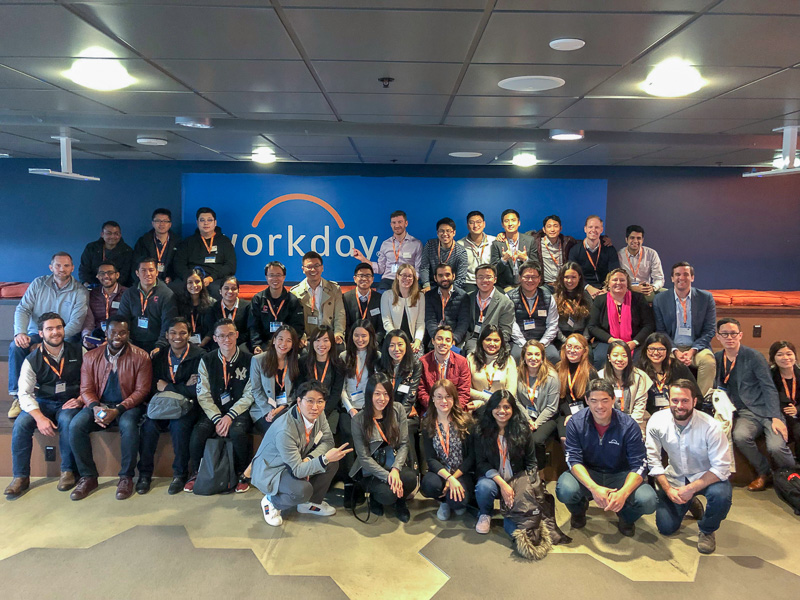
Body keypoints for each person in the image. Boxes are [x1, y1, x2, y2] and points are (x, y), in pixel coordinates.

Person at [556, 379, 657, 537]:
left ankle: (626, 517)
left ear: (613, 400)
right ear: (587, 401)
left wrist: (623, 493)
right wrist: (594, 488)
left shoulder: (629, 426)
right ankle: (578, 511)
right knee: (565, 489)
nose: (600, 406)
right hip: (590, 472)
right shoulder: (575, 423)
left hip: (619, 475)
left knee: (649, 500)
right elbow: (573, 459)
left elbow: (639, 465)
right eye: (594, 401)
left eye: (605, 400)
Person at [646, 378, 733, 554]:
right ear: (668, 400)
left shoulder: (711, 426)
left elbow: (722, 467)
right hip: (675, 476)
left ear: (694, 401)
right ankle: (691, 502)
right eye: (675, 400)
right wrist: (669, 489)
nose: (680, 405)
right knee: (666, 528)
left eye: (685, 400)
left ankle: (707, 529)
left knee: (721, 495)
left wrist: (691, 488)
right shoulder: (656, 421)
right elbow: (653, 461)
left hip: (706, 477)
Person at [69, 316, 151, 501]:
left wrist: (119, 409)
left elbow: (142, 391)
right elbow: (86, 389)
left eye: (122, 332)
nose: (117, 336)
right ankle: (88, 476)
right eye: (113, 332)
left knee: (129, 427)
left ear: (128, 334)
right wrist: (95, 408)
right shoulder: (91, 357)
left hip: (128, 406)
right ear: (106, 333)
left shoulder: (141, 357)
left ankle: (126, 477)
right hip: (99, 404)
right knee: (75, 425)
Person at [253, 381, 353, 527]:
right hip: (274, 469)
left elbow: (327, 442)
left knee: (332, 462)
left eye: (320, 401)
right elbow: (298, 470)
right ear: (299, 401)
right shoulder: (285, 429)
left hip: (297, 460)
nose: (315, 407)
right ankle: (271, 501)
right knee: (302, 490)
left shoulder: (319, 415)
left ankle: (309, 504)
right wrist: (323, 459)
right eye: (310, 401)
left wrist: (310, 459)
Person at [5, 313, 83, 498]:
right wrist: (39, 418)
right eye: (49, 329)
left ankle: (67, 471)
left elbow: (91, 381)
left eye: (59, 327)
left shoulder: (80, 351)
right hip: (44, 402)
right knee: (21, 424)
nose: (55, 332)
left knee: (67, 420)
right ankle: (21, 477)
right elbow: (24, 393)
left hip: (70, 401)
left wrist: (81, 399)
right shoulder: (31, 360)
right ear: (41, 333)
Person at [715, 318, 795, 491]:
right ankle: (764, 473)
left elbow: (769, 387)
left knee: (776, 447)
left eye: (733, 333)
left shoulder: (753, 356)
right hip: (745, 413)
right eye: (725, 334)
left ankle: (793, 477)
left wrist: (775, 416)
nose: (730, 337)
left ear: (740, 335)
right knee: (740, 437)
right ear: (718, 337)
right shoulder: (717, 358)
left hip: (766, 410)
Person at [8, 252, 88, 419]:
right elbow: (23, 309)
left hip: (65, 335)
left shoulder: (80, 290)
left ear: (72, 268)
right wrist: (20, 333)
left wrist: (51, 341)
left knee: (74, 348)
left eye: (66, 266)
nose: (62, 269)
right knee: (16, 346)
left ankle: (72, 396)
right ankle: (18, 397)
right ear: (51, 267)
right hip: (37, 334)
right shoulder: (38, 284)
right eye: (58, 265)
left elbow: (76, 323)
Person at [136, 317, 204, 495]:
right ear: (166, 335)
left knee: (180, 426)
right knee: (148, 426)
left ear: (189, 335)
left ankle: (180, 474)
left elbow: (198, 390)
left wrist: (169, 386)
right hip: (161, 405)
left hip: (187, 407)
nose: (178, 337)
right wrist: (184, 386)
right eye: (173, 332)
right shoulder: (158, 357)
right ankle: (144, 474)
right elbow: (152, 386)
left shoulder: (199, 356)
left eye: (183, 333)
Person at [186, 318, 254, 493]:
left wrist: (230, 416)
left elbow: (250, 393)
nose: (227, 339)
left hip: (238, 410)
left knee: (238, 432)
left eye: (230, 334)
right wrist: (217, 418)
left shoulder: (250, 360)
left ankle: (242, 473)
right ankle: (196, 472)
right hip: (213, 411)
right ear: (215, 338)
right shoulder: (206, 360)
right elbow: (203, 393)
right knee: (198, 432)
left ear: (237, 335)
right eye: (221, 335)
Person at [350, 373, 417, 522]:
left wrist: (395, 470)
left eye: (386, 394)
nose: (382, 399)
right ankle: (375, 497)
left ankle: (401, 501)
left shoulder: (397, 409)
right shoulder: (358, 420)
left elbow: (404, 444)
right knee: (387, 496)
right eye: (377, 394)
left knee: (411, 479)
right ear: (369, 395)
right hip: (371, 470)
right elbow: (364, 457)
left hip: (392, 463)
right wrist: (388, 476)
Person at [473, 390, 538, 535]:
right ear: (491, 409)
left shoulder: (523, 430)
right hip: (493, 479)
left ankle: (513, 512)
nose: (502, 411)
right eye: (497, 407)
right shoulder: (480, 431)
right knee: (483, 487)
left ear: (513, 409)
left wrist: (527, 485)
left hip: (517, 479)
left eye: (507, 407)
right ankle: (485, 513)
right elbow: (481, 463)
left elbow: (531, 462)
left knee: (514, 530)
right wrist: (503, 485)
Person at [653, 262, 717, 396]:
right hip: (671, 347)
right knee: (659, 359)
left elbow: (710, 330)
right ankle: (669, 399)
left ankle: (700, 401)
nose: (681, 278)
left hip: (697, 348)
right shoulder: (660, 299)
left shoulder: (705, 298)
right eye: (677, 274)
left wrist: (692, 351)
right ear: (671, 278)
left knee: (708, 361)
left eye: (685, 274)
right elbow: (660, 330)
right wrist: (675, 351)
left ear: (692, 277)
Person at [420, 379, 475, 521]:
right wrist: (448, 478)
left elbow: (471, 457)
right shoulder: (427, 424)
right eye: (439, 396)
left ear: (454, 398)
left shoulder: (466, 421)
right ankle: (443, 503)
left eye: (448, 396)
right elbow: (431, 458)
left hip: (462, 472)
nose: (443, 400)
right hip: (442, 473)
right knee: (428, 485)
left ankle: (453, 501)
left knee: (457, 502)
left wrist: (454, 478)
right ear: (432, 399)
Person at [588, 268, 655, 369]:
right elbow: (592, 326)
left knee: (640, 360)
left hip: (634, 342)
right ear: (608, 284)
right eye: (615, 280)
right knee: (601, 358)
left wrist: (635, 342)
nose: (618, 283)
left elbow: (649, 325)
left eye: (622, 280)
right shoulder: (600, 300)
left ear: (627, 283)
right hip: (607, 341)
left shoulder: (638, 298)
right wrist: (611, 340)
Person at [378, 329, 423, 476]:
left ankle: (411, 472)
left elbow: (410, 397)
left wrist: (397, 417)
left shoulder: (415, 365)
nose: (396, 349)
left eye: (400, 344)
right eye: (392, 345)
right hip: (383, 412)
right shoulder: (380, 365)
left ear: (407, 346)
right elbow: (378, 395)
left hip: (406, 413)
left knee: (406, 429)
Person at [338, 321, 381, 469]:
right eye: (356, 335)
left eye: (364, 335)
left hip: (370, 407)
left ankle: (368, 473)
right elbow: (341, 388)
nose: (360, 339)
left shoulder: (377, 356)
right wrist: (350, 409)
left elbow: (378, 387)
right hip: (348, 407)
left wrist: (369, 408)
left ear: (371, 336)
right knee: (348, 433)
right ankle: (350, 476)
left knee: (369, 434)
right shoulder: (344, 356)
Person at [116, 257, 178, 355]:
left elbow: (168, 322)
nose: (148, 274)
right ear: (137, 273)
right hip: (132, 342)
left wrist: (160, 346)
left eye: (151, 270)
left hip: (156, 343)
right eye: (143, 270)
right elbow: (122, 320)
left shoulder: (166, 294)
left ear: (157, 272)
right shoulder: (129, 294)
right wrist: (127, 342)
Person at [173, 207, 237, 298]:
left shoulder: (225, 242)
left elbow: (231, 266)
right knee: (173, 288)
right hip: (192, 276)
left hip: (215, 278)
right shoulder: (188, 242)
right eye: (202, 220)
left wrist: (212, 278)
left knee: (217, 290)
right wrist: (191, 278)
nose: (206, 223)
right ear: (197, 223)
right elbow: (179, 264)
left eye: (209, 220)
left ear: (215, 223)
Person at [352, 209, 422, 290]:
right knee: (381, 295)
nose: (397, 225)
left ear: (406, 223)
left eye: (400, 222)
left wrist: (410, 281)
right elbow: (380, 268)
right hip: (389, 280)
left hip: (407, 279)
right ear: (391, 224)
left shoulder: (416, 244)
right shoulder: (385, 244)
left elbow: (418, 269)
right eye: (394, 222)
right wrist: (363, 259)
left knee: (417, 296)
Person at [516, 339, 559, 468]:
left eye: (537, 354)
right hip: (524, 416)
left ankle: (538, 475)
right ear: (523, 357)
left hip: (546, 418)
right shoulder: (517, 374)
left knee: (535, 440)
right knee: (516, 436)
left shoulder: (552, 377)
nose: (533, 358)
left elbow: (552, 407)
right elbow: (516, 400)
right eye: (529, 354)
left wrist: (536, 423)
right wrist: (528, 419)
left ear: (542, 357)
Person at [250, 325, 300, 434]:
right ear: (274, 340)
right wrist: (269, 411)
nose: (283, 344)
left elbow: (296, 390)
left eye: (288, 340)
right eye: (280, 339)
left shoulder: (295, 360)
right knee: (278, 430)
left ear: (292, 344)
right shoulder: (258, 360)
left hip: (286, 407)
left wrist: (283, 407)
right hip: (263, 409)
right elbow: (256, 390)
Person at [291, 251, 346, 347]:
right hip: (308, 338)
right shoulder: (295, 293)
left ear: (322, 268)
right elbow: (294, 320)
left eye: (316, 266)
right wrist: (301, 336)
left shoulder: (334, 289)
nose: (313, 269)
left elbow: (340, 314)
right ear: (303, 269)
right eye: (309, 266)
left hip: (329, 336)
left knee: (340, 349)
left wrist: (338, 334)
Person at [507, 261, 559, 363]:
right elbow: (511, 324)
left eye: (534, 277)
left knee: (553, 356)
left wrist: (542, 344)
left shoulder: (548, 297)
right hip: (519, 342)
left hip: (542, 340)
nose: (530, 280)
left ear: (539, 279)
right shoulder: (509, 297)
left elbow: (553, 324)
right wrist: (524, 344)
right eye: (526, 277)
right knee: (516, 356)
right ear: (519, 278)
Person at [249, 260, 305, 354]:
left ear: (284, 277)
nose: (275, 278)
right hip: (264, 343)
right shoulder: (258, 299)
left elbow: (298, 327)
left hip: (286, 344)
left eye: (278, 275)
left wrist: (287, 343)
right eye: (271, 275)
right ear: (266, 277)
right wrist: (256, 345)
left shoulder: (293, 300)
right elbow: (254, 326)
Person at [638, 333, 696, 417]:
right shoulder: (639, 370)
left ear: (667, 350)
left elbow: (696, 395)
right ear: (645, 350)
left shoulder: (678, 368)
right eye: (651, 349)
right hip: (649, 416)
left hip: (677, 414)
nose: (656, 352)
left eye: (660, 349)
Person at [298, 325, 345, 428]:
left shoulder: (338, 364)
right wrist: (310, 409)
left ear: (332, 342)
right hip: (307, 407)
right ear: (312, 342)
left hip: (329, 409)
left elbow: (336, 392)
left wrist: (322, 411)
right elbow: (300, 388)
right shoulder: (303, 362)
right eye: (317, 340)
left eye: (325, 340)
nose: (321, 344)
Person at [598, 340, 652, 428]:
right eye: (615, 355)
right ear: (609, 357)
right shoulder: (600, 377)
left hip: (635, 422)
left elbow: (640, 405)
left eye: (624, 355)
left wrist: (631, 427)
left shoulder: (640, 376)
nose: (620, 359)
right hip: (608, 423)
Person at [463, 263, 514, 354]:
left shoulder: (506, 303)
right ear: (476, 279)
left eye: (488, 277)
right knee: (473, 355)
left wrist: (491, 343)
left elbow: (505, 332)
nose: (484, 280)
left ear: (495, 279)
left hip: (494, 342)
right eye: (480, 277)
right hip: (473, 339)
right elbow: (463, 324)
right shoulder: (468, 298)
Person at [418, 325, 472, 412]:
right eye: (439, 339)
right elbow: (421, 392)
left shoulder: (462, 362)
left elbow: (464, 392)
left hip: (455, 410)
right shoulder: (423, 362)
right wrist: (436, 407)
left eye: (447, 340)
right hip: (431, 409)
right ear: (433, 341)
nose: (443, 343)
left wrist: (451, 409)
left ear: (452, 344)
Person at [555, 334, 598, 440]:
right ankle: (569, 457)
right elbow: (559, 398)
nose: (572, 350)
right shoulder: (558, 368)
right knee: (565, 438)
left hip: (587, 413)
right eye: (569, 346)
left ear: (584, 351)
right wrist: (569, 414)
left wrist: (579, 416)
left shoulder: (590, 373)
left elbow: (594, 400)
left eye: (577, 347)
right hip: (565, 412)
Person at [467, 325, 518, 412]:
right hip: (477, 409)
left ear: (501, 342)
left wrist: (484, 402)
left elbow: (511, 392)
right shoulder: (471, 358)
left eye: (496, 340)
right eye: (488, 339)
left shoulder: (509, 360)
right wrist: (484, 398)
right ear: (481, 341)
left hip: (501, 409)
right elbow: (467, 389)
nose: (492, 343)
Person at [567, 215, 619, 298]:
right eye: (590, 227)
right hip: (584, 289)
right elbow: (573, 274)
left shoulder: (609, 249)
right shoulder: (575, 250)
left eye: (597, 227)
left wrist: (607, 288)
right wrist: (588, 288)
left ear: (601, 230)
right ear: (585, 229)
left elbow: (615, 271)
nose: (593, 230)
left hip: (606, 289)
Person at [380, 263, 425, 355]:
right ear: (397, 276)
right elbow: (386, 322)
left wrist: (417, 341)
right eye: (404, 275)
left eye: (410, 276)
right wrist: (397, 341)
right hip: (393, 341)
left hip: (413, 342)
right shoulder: (387, 295)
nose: (407, 279)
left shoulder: (420, 296)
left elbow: (420, 322)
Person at [423, 262, 470, 350]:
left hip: (455, 339)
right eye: (440, 275)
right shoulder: (429, 296)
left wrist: (453, 340)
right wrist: (437, 339)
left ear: (453, 276)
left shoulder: (463, 296)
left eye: (447, 275)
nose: (444, 278)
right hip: (436, 338)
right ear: (435, 278)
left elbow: (463, 323)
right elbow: (430, 320)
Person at [81, 262, 127, 349]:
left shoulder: (127, 294)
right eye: (102, 273)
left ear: (117, 275)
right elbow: (89, 320)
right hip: (98, 336)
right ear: (97, 276)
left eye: (110, 273)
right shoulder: (92, 294)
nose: (106, 276)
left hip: (119, 337)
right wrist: (86, 337)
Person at [490, 209, 537, 291]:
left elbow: (537, 267)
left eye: (513, 220)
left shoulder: (530, 241)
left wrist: (525, 259)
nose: (510, 224)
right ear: (502, 224)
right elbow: (493, 271)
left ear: (519, 223)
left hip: (527, 284)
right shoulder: (497, 244)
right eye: (506, 221)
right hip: (506, 286)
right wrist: (503, 260)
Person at [132, 208, 181, 284]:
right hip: (147, 281)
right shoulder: (143, 241)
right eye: (158, 221)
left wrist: (171, 277)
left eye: (165, 221)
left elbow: (179, 264)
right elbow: (136, 263)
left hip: (169, 282)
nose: (161, 224)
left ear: (170, 224)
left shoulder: (178, 242)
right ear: (152, 223)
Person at [418, 217, 468, 291]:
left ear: (454, 232)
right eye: (441, 231)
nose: (445, 234)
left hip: (452, 287)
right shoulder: (430, 245)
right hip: (431, 286)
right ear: (437, 233)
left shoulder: (461, 252)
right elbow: (424, 267)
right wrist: (426, 285)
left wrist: (448, 290)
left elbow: (461, 278)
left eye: (448, 231)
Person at [79, 220, 134, 287]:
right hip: (93, 286)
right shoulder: (91, 248)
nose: (112, 236)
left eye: (116, 233)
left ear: (120, 235)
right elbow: (84, 269)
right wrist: (86, 284)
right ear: (102, 234)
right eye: (109, 233)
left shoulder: (127, 251)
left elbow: (125, 275)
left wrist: (110, 288)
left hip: (117, 289)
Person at [618, 225, 665, 303]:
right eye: (632, 238)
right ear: (626, 239)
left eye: (638, 238)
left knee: (666, 294)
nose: (635, 241)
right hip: (627, 289)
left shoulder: (651, 254)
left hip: (645, 290)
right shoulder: (619, 255)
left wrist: (652, 287)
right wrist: (632, 287)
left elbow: (659, 279)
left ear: (642, 240)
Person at [553, 262, 593, 354]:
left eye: (573, 277)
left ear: (579, 277)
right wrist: (565, 340)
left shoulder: (586, 297)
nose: (570, 281)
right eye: (566, 277)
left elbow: (590, 321)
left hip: (582, 335)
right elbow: (553, 323)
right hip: (561, 337)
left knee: (589, 354)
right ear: (562, 278)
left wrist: (584, 339)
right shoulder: (555, 297)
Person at [770, 341, 800, 461]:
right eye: (780, 354)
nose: (785, 358)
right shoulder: (770, 376)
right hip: (779, 416)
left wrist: (797, 410)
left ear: (795, 356)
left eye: (789, 354)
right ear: (773, 358)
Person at [529, 215, 578, 288]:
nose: (552, 229)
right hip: (544, 285)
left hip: (563, 284)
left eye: (555, 226)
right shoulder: (536, 242)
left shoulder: (567, 242)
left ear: (560, 228)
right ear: (544, 229)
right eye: (549, 226)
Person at [204, 276, 251, 351]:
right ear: (220, 291)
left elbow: (249, 330)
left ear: (238, 291)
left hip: (241, 343)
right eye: (226, 288)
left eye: (234, 288)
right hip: (219, 342)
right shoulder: (213, 308)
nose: (230, 291)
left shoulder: (247, 306)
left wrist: (233, 341)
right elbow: (211, 330)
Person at [342, 262, 385, 345]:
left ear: (372, 279)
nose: (364, 279)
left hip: (374, 344)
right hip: (352, 343)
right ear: (355, 278)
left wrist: (374, 342)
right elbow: (345, 324)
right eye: (361, 276)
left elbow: (381, 325)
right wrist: (353, 342)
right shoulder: (345, 298)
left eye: (368, 276)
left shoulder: (379, 298)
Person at [174, 267, 215, 348]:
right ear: (186, 284)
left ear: (202, 283)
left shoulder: (212, 303)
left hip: (206, 345)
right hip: (184, 343)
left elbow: (212, 329)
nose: (194, 285)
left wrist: (201, 344)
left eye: (197, 282)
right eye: (190, 282)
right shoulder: (179, 302)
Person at [457, 210, 495, 294]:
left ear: (484, 224)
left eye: (478, 222)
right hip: (470, 282)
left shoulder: (494, 241)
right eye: (471, 222)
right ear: (467, 226)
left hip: (489, 281)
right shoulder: (459, 244)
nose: (475, 225)